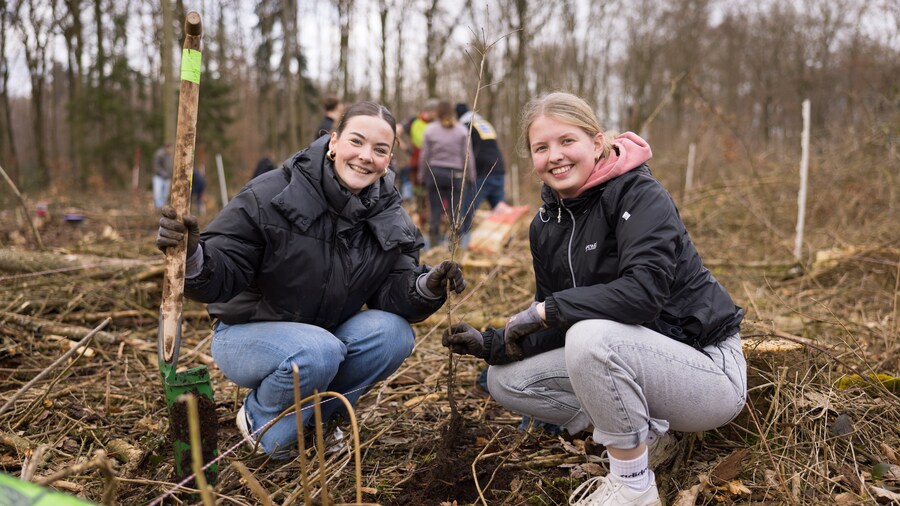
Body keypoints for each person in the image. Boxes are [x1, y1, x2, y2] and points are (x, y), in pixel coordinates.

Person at [442, 92, 746, 506]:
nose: (555, 156)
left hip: (706, 370)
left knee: (589, 338)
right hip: (635, 360)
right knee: (505, 380)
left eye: (567, 141)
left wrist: (550, 310)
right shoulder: (546, 225)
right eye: (541, 147)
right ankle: (650, 439)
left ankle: (633, 485)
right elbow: (552, 319)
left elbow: (643, 295)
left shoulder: (638, 193)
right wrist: (494, 344)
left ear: (597, 142)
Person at [156, 101, 467, 458]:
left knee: (393, 334)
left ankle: (320, 419)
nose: (366, 156)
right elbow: (223, 276)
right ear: (333, 141)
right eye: (357, 141)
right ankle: (258, 418)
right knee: (318, 351)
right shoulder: (271, 194)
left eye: (380, 150)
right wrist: (193, 255)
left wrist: (426, 285)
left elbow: (391, 293)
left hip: (325, 340)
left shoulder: (389, 214)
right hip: (247, 335)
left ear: (390, 158)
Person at [419, 100, 476, 249]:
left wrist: (421, 175)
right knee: (455, 214)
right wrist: (471, 176)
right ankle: (455, 248)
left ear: (437, 112)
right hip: (455, 177)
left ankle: (433, 246)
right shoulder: (462, 130)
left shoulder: (430, 130)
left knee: (435, 212)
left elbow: (424, 155)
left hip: (435, 175)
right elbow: (468, 156)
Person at [455, 102, 506, 211]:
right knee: (500, 211)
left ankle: (463, 229)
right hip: (499, 168)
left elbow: (464, 152)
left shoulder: (465, 127)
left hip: (481, 172)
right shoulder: (485, 124)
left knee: (466, 211)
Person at [403, 98, 439, 231]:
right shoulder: (415, 122)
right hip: (417, 165)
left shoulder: (438, 123)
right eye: (435, 112)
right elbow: (397, 131)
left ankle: (436, 222)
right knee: (419, 194)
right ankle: (421, 222)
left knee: (434, 195)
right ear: (429, 111)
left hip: (435, 166)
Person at [152, 142, 174, 209]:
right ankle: (159, 207)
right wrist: (164, 174)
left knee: (165, 194)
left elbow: (170, 167)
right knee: (158, 193)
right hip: (159, 177)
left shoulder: (169, 156)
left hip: (167, 178)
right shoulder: (159, 155)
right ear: (167, 148)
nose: (172, 150)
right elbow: (157, 167)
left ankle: (163, 207)